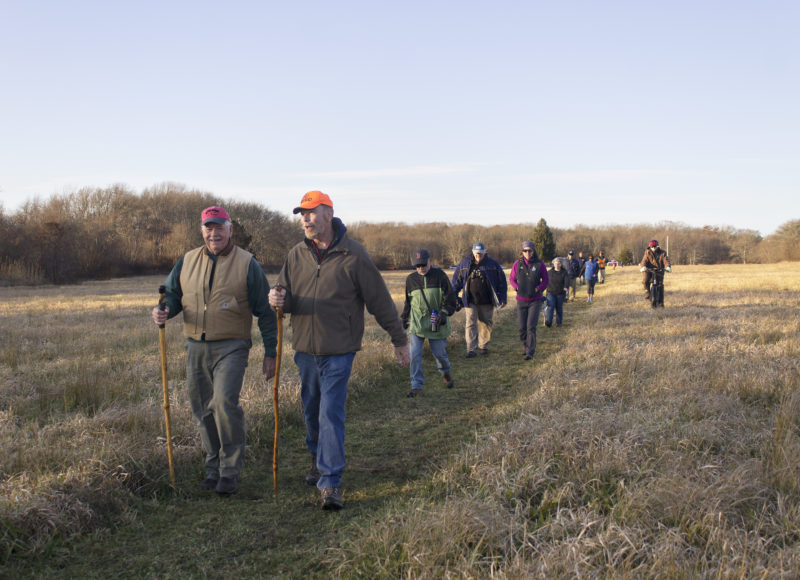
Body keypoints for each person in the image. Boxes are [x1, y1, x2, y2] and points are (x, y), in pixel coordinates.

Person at [268, 191, 410, 510]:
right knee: (312, 408)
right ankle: (318, 459)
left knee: (331, 411)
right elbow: (284, 295)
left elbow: (379, 300)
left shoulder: (353, 254)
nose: (304, 219)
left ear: (328, 214)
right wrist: (277, 299)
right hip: (305, 349)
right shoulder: (295, 255)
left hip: (340, 350)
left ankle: (330, 482)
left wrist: (399, 340)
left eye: (311, 213)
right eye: (301, 214)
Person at [151, 206, 277, 496]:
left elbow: (266, 313)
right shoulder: (187, 261)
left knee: (223, 403)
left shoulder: (247, 263)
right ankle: (213, 468)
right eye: (208, 227)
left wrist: (271, 352)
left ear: (230, 229)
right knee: (202, 409)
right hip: (195, 346)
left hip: (232, 345)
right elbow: (172, 295)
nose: (214, 233)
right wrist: (164, 310)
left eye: (219, 227)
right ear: (202, 230)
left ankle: (230, 471)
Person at [401, 249, 458, 397]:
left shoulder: (440, 276)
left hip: (435, 318)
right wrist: (404, 319)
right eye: (417, 266)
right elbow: (408, 302)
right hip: (417, 323)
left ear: (429, 261)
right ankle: (416, 385)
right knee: (414, 354)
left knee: (439, 354)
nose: (420, 268)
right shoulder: (410, 279)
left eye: (423, 265)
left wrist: (444, 313)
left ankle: (445, 372)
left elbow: (451, 297)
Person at [451, 242, 508, 357]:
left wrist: (502, 298)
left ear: (485, 252)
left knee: (486, 323)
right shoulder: (464, 263)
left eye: (481, 254)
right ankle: (471, 349)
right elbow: (456, 281)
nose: (478, 256)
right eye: (476, 254)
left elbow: (502, 283)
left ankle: (483, 346)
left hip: (487, 300)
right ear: (472, 252)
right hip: (470, 300)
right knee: (470, 324)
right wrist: (453, 296)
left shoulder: (493, 264)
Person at [508, 241, 548, 360]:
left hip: (535, 300)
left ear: (533, 251)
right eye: (525, 251)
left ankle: (530, 351)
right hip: (521, 300)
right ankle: (525, 345)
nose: (527, 253)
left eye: (530, 250)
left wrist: (538, 288)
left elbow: (546, 280)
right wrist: (516, 287)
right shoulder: (517, 264)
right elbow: (511, 278)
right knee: (521, 327)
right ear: (522, 252)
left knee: (531, 326)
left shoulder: (539, 264)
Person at [639, 239, 672, 306]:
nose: (653, 248)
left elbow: (666, 260)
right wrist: (643, 267)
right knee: (645, 281)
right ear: (650, 247)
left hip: (659, 270)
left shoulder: (663, 253)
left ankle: (661, 303)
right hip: (649, 270)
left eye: (655, 246)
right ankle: (647, 293)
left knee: (660, 285)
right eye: (652, 246)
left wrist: (668, 267)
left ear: (657, 246)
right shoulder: (647, 252)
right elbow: (644, 260)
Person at [544, 257, 569, 327]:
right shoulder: (549, 272)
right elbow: (545, 281)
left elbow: (567, 281)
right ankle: (549, 321)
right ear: (553, 264)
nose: (557, 265)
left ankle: (559, 323)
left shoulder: (564, 272)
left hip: (560, 293)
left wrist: (566, 287)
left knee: (559, 308)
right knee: (551, 307)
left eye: (558, 263)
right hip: (550, 292)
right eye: (556, 263)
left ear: (561, 264)